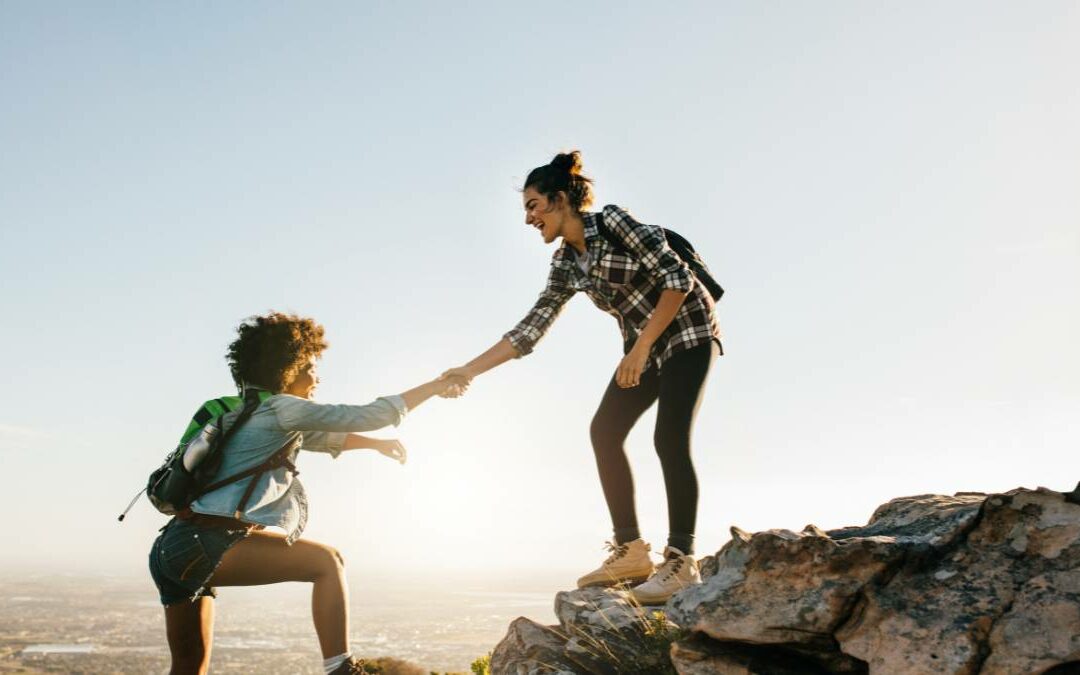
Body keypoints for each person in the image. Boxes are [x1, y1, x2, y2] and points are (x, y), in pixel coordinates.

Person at [443, 151, 722, 604]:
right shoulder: (566, 264)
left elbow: (678, 279)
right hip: (644, 349)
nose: (529, 218)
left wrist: (641, 346)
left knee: (669, 438)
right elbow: (529, 330)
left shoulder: (614, 222)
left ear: (559, 200)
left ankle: (681, 561)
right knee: (604, 431)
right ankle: (631, 551)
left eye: (533, 206)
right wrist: (467, 371)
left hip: (688, 332)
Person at [148, 311, 465, 675]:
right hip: (207, 543)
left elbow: (323, 438)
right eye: (311, 367)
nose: (317, 376)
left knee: (189, 666)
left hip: (170, 550)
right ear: (289, 367)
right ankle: (341, 668)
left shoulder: (248, 414)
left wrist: (375, 445)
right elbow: (368, 414)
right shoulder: (282, 408)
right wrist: (435, 386)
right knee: (327, 562)